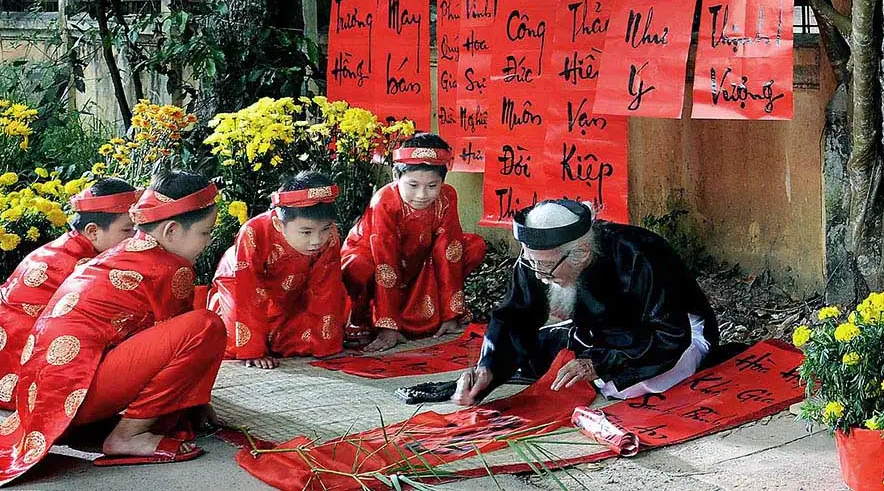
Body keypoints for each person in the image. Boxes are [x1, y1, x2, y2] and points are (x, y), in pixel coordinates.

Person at [0, 171, 226, 491]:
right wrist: (194, 404)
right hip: (72, 393)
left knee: (192, 329)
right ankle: (129, 436)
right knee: (205, 326)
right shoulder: (169, 268)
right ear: (171, 230)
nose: (209, 241)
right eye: (205, 232)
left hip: (50, 396)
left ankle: (117, 427)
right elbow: (183, 346)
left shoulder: (128, 251)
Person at [452, 199, 719, 406]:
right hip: (598, 336)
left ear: (581, 253)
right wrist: (489, 366)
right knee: (534, 357)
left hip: (670, 338)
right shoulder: (538, 259)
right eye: (530, 262)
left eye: (545, 268)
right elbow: (514, 316)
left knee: (629, 387)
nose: (538, 276)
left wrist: (597, 364)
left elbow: (671, 334)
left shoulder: (639, 254)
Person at [0, 178, 140, 410]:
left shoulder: (65, 248)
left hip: (11, 370)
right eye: (128, 229)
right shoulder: (83, 266)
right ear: (92, 231)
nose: (135, 238)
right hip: (33, 380)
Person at [341, 133, 487, 353]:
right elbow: (385, 260)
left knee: (472, 246)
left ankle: (439, 314)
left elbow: (449, 249)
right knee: (359, 267)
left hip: (418, 261)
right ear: (395, 176)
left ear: (443, 182)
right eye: (413, 184)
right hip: (376, 259)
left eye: (432, 185)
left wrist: (452, 314)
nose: (422, 194)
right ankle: (365, 318)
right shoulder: (384, 201)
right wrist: (388, 325)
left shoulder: (447, 196)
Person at [208, 171, 346, 369]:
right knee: (232, 343)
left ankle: (272, 337)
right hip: (238, 283)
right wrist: (254, 350)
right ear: (278, 224)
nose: (317, 240)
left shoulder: (330, 236)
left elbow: (326, 289)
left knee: (305, 341)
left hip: (288, 291)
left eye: (325, 228)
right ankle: (256, 343)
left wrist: (327, 344)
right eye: (306, 232)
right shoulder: (253, 231)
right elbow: (247, 291)